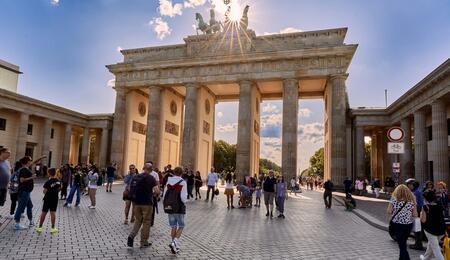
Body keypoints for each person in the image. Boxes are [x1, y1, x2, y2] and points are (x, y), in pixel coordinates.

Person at [127, 162, 159, 248]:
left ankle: (131, 236)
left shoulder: (136, 177)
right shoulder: (151, 178)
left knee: (138, 220)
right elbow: (157, 191)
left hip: (136, 203)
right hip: (147, 203)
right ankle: (144, 241)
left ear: (143, 168)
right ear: (151, 170)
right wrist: (156, 195)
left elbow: (130, 188)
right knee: (146, 222)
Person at [387, 184, 418, 260]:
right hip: (408, 224)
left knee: (402, 246)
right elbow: (415, 214)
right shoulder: (412, 199)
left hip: (397, 224)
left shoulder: (394, 198)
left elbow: (389, 211)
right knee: (403, 243)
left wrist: (395, 210)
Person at [163, 167, 187, 254]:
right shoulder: (183, 182)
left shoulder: (169, 181)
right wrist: (185, 201)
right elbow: (183, 198)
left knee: (173, 226)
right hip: (179, 207)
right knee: (181, 226)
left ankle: (174, 245)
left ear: (174, 172)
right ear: (182, 173)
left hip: (170, 207)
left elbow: (165, 194)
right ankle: (174, 242)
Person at [420, 190, 445, 260]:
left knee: (436, 249)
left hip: (430, 230)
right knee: (431, 245)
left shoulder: (425, 207)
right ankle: (425, 258)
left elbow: (423, 220)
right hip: (441, 229)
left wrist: (421, 213)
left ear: (425, 198)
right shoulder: (439, 204)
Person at [14, 156, 37, 230]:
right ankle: (17, 224)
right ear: (27, 161)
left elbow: (34, 162)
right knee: (20, 207)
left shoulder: (26, 169)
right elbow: (21, 180)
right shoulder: (24, 170)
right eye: (30, 160)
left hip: (27, 191)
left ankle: (31, 221)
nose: (31, 161)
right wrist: (32, 177)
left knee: (30, 206)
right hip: (24, 191)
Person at [36, 168, 61, 234]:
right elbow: (59, 188)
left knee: (44, 212)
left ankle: (40, 227)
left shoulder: (48, 182)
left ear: (49, 173)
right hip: (55, 198)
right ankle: (53, 228)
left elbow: (44, 191)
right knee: (53, 212)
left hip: (47, 199)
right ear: (55, 173)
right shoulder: (58, 181)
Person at [406, 178, 425, 251]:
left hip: (417, 210)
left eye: (410, 185)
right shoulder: (417, 191)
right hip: (419, 210)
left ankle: (418, 244)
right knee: (417, 228)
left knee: (417, 228)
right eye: (408, 185)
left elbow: (413, 204)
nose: (408, 186)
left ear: (414, 185)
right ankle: (418, 243)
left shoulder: (415, 192)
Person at [0, 148, 11, 217]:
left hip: (5, 186)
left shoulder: (7, 162)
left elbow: (9, 171)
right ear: (2, 152)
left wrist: (9, 183)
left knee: (1, 202)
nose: (9, 154)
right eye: (8, 152)